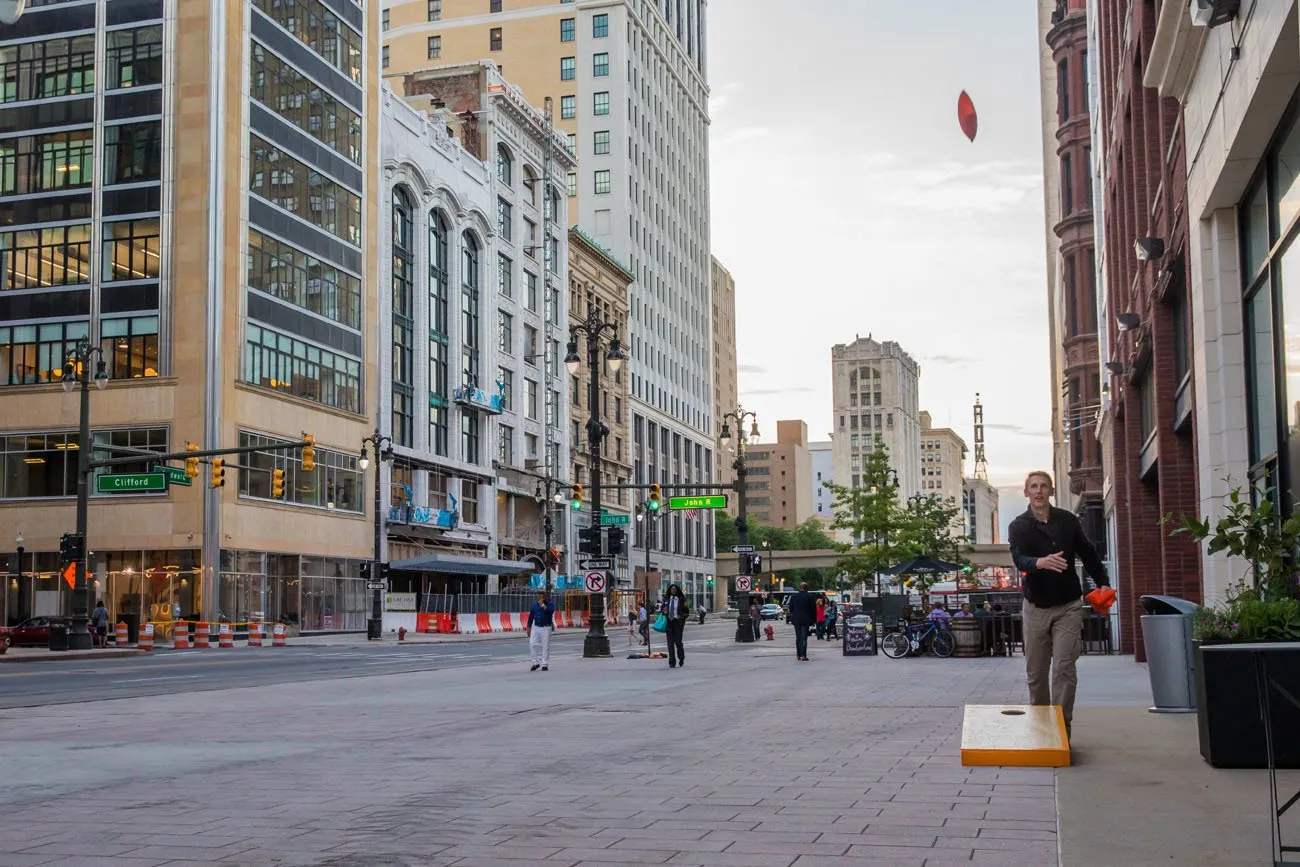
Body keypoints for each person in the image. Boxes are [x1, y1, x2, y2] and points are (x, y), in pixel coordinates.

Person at [1008, 470, 1110, 738]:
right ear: (1026, 492)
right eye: (1033, 486)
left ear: (1051, 491)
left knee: (1064, 668)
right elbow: (1019, 559)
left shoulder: (1068, 521)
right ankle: (1041, 731)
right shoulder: (1019, 526)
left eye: (1043, 486)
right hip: (1035, 606)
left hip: (1068, 605)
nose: (1038, 491)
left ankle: (1061, 732)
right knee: (1037, 674)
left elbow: (1088, 553)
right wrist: (1039, 562)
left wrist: (1103, 582)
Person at [661, 583, 690, 668]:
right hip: (669, 622)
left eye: (674, 589)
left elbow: (686, 612)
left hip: (678, 623)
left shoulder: (682, 599)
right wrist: (664, 611)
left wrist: (681, 618)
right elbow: (662, 610)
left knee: (678, 642)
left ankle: (681, 657)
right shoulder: (666, 598)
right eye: (671, 589)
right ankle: (672, 662)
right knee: (670, 644)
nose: (673, 591)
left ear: (677, 590)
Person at [525, 590, 555, 671]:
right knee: (532, 644)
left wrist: (543, 605)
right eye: (539, 595)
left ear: (545, 596)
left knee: (545, 646)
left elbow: (549, 612)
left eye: (542, 595)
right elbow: (531, 616)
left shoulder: (550, 604)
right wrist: (528, 627)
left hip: (546, 627)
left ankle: (544, 663)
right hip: (536, 626)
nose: (540, 597)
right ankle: (535, 662)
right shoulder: (534, 605)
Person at [788, 582, 816, 661]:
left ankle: (798, 655)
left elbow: (790, 608)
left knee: (798, 637)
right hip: (806, 619)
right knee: (804, 638)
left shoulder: (794, 596)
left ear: (799, 588)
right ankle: (804, 655)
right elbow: (813, 610)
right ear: (806, 588)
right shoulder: (810, 597)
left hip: (796, 619)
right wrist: (813, 620)